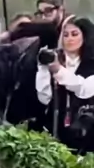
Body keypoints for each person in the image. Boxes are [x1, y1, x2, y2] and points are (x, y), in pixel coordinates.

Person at [36, 15, 94, 152]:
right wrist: (43, 69)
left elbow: (85, 89)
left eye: (74, 34)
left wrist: (58, 71)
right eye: (65, 35)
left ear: (86, 36)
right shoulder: (56, 58)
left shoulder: (91, 63)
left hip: (87, 130)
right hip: (58, 129)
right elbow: (45, 98)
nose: (69, 39)